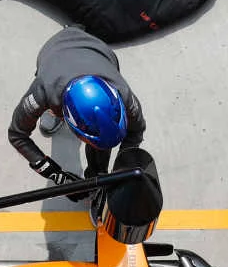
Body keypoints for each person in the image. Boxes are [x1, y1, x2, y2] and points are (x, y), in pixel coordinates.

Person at [9, 26, 145, 197]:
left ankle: (96, 174)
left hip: (99, 51)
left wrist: (121, 170)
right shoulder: (42, 91)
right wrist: (57, 176)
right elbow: (17, 135)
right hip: (54, 52)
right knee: (54, 107)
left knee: (100, 142)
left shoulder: (122, 93)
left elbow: (136, 131)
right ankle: (54, 113)